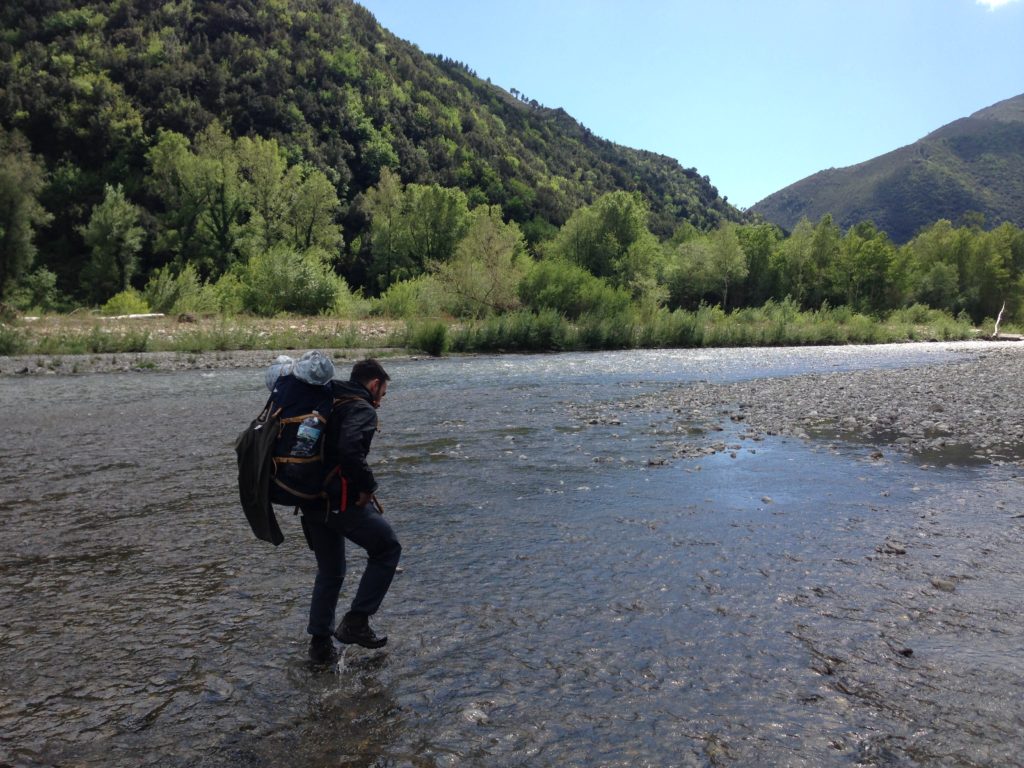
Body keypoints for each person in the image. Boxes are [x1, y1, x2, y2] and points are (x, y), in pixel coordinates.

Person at [297, 358, 401, 664]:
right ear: (374, 384)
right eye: (383, 392)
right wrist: (368, 487)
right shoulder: (361, 408)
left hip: (310, 497)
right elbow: (349, 451)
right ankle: (356, 621)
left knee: (331, 570)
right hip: (339, 501)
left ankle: (319, 646)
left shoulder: (329, 398)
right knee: (387, 548)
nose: (382, 399)